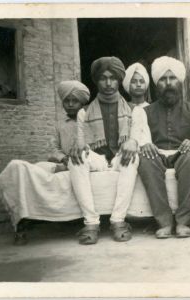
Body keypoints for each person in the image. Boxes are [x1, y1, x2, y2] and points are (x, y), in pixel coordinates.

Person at [0, 80, 90, 245]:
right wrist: (63, 158)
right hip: (63, 162)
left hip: (82, 164)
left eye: (74, 101)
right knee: (31, 168)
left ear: (82, 102)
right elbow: (53, 149)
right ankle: (22, 217)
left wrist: (74, 161)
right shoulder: (60, 125)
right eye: (67, 101)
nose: (70, 104)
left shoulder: (90, 122)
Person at [130, 56, 190, 239]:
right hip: (158, 155)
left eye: (173, 79)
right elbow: (142, 138)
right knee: (145, 158)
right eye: (163, 79)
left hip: (183, 155)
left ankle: (183, 222)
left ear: (180, 82)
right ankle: (164, 222)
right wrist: (146, 145)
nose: (168, 83)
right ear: (156, 83)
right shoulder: (143, 112)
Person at [68, 57, 139, 245]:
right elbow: (82, 142)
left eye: (113, 78)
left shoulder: (132, 109)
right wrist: (79, 147)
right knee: (76, 158)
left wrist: (132, 141)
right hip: (98, 159)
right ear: (96, 81)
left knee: (132, 157)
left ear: (119, 80)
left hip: (118, 160)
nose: (108, 83)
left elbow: (136, 135)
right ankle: (91, 222)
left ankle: (118, 220)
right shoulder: (84, 112)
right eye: (102, 78)